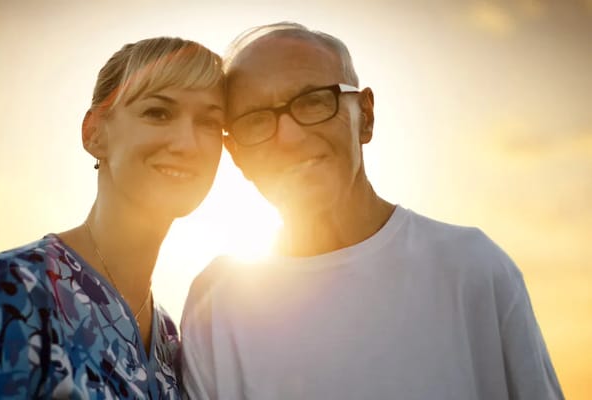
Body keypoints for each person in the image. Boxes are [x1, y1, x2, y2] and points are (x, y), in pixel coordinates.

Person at [180, 22, 564, 400]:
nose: (289, 137)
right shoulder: (217, 304)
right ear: (237, 155)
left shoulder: (472, 268)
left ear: (365, 115)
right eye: (256, 120)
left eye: (313, 101)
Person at [0, 36, 226, 399]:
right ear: (94, 133)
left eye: (209, 122)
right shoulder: (12, 289)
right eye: (158, 113)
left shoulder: (171, 341)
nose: (187, 143)